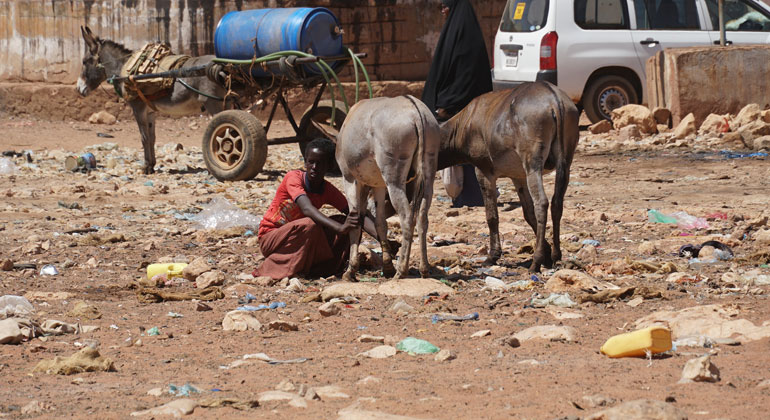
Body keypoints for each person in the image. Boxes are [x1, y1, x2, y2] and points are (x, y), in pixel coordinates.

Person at [253, 138, 361, 280]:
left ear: (328, 166)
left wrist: (383, 241)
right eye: (311, 162)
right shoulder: (293, 178)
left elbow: (357, 215)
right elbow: (307, 209)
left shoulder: (327, 189)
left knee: (345, 221)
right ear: (305, 162)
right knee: (310, 224)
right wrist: (339, 228)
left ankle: (321, 269)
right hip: (271, 237)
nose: (314, 167)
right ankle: (271, 270)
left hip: (299, 238)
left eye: (320, 163)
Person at [421, 0, 493, 208]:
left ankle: (471, 197)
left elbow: (467, 76)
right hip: (456, 106)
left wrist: (446, 102)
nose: (443, 10)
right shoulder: (455, 32)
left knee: (467, 153)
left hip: (465, 108)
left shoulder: (465, 37)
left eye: (445, 5)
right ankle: (465, 196)